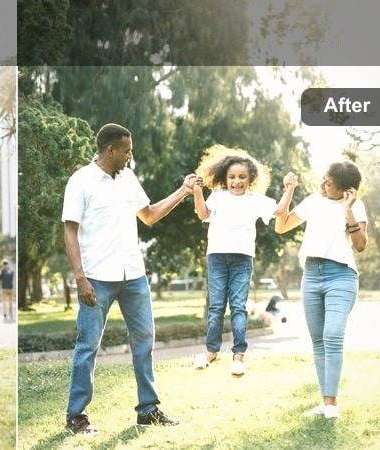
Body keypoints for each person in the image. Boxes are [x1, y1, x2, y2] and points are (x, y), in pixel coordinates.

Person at [62, 123, 198, 433]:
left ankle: (147, 410)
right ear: (110, 149)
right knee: (88, 346)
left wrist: (183, 191)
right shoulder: (81, 181)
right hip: (96, 277)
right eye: (127, 149)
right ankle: (76, 415)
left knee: (144, 341)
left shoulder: (127, 177)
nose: (130, 154)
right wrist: (80, 277)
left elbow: (149, 215)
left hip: (133, 275)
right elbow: (69, 230)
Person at [190, 146, 295, 377]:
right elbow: (202, 214)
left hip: (242, 259)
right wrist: (197, 191)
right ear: (224, 178)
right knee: (216, 307)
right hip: (217, 257)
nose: (236, 182)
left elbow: (278, 211)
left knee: (238, 307)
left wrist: (290, 189)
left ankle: (238, 357)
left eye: (242, 177)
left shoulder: (255, 200)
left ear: (250, 179)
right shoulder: (217, 196)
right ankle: (211, 351)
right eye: (232, 177)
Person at [275, 160, 368, 420]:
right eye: (324, 179)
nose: (322, 184)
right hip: (312, 275)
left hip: (341, 275)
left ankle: (331, 404)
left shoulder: (356, 205)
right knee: (318, 341)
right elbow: (281, 227)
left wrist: (348, 210)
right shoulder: (313, 201)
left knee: (332, 335)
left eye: (328, 182)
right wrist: (289, 191)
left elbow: (360, 245)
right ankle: (326, 402)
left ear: (346, 190)